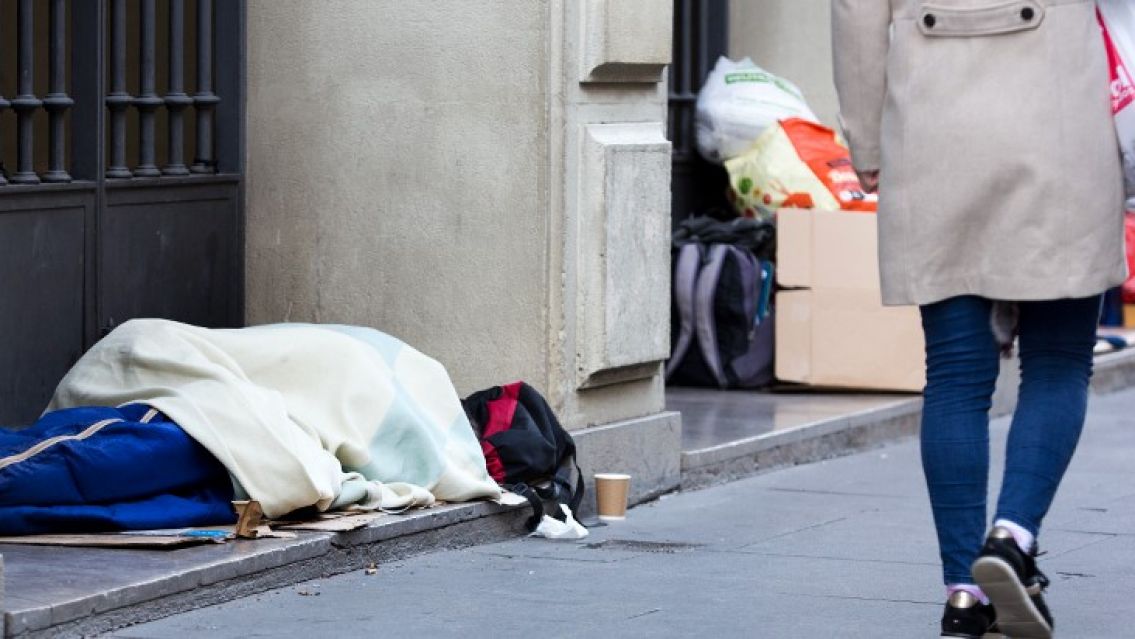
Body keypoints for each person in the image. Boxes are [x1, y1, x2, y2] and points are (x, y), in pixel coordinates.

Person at [831, 1, 1126, 637]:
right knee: (1057, 363)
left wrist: (866, 136)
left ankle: (965, 592)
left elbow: (856, 9)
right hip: (1062, 118)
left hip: (933, 125)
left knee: (957, 375)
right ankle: (1012, 537)